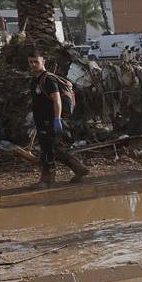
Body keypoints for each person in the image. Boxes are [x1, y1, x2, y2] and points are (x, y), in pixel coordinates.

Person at [27, 53, 91, 187]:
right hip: (41, 120)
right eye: (31, 62)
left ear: (43, 61)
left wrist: (57, 118)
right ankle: (79, 169)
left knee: (48, 149)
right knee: (54, 148)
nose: (33, 64)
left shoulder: (48, 79)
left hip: (50, 120)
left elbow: (56, 100)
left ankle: (47, 180)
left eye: (36, 62)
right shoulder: (35, 80)